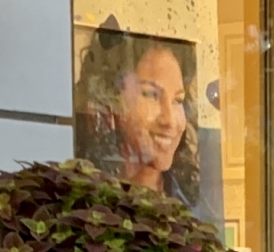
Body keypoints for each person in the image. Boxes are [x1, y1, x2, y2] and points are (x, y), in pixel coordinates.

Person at [75, 24, 203, 215]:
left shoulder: (197, 207)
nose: (169, 120)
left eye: (178, 100)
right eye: (151, 95)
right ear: (110, 100)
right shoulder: (82, 199)